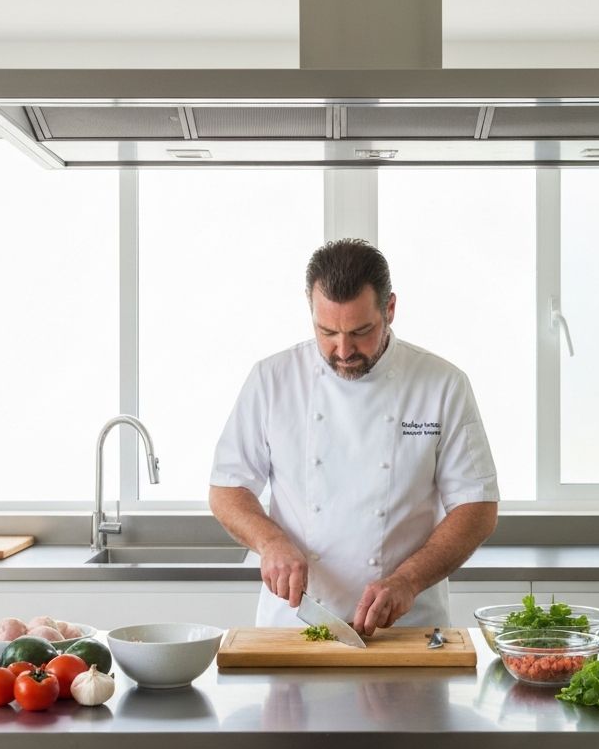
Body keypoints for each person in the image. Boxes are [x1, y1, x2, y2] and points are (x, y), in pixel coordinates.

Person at [209, 238, 499, 635]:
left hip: (406, 630)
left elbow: (476, 507)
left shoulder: (442, 384)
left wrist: (408, 580)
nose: (343, 350)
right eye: (326, 331)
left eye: (361, 331)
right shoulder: (272, 380)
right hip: (293, 627)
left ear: (390, 308)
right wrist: (270, 543)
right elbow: (228, 488)